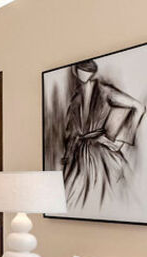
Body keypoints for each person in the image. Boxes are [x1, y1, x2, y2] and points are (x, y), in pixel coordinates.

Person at [61, 59, 146, 207]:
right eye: (81, 69)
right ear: (75, 72)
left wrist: (121, 140)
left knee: (110, 198)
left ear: (93, 72)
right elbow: (71, 133)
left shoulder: (105, 91)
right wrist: (68, 156)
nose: (84, 73)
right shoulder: (75, 100)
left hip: (102, 155)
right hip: (78, 159)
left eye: (87, 70)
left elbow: (138, 107)